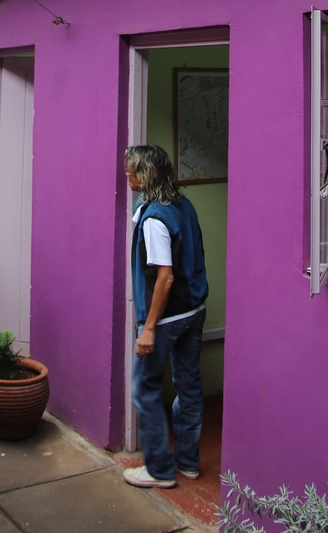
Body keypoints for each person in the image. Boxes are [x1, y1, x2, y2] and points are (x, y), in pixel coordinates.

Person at [122, 144, 208, 490]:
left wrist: (149, 328)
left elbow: (166, 278)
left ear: (144, 176)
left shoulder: (154, 218)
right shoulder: (182, 204)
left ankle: (159, 469)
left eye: (130, 170)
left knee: (144, 387)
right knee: (189, 385)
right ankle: (187, 462)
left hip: (168, 317)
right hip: (195, 310)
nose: (126, 175)